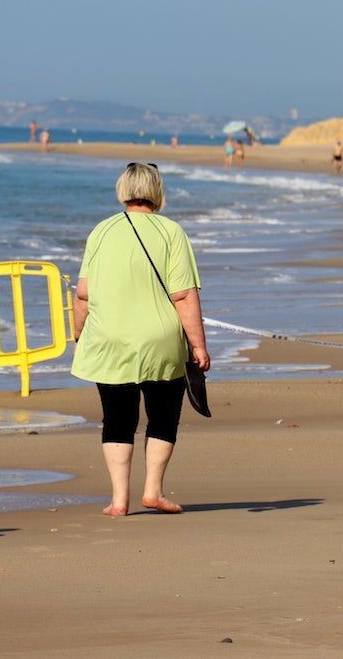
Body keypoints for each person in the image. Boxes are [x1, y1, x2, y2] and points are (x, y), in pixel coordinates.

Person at [71, 162, 210, 517]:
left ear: (123, 190)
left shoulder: (101, 231)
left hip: (109, 338)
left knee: (116, 418)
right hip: (159, 339)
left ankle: (119, 500)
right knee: (163, 416)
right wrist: (198, 346)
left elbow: (83, 292)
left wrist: (78, 333)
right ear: (157, 190)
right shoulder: (171, 231)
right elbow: (183, 295)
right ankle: (154, 492)